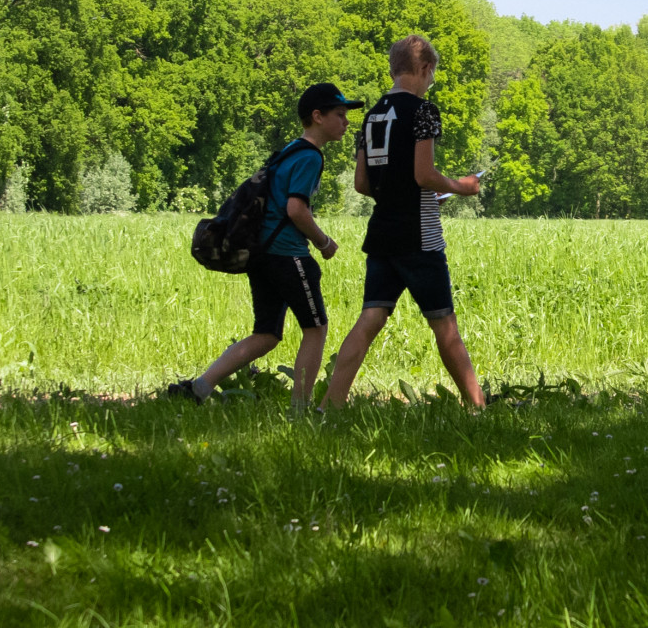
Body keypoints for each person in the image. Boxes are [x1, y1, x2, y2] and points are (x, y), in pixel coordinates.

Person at [172, 82, 363, 410]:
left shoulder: (289, 150)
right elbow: (295, 209)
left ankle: (200, 388)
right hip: (288, 255)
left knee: (267, 334)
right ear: (317, 117)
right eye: (340, 114)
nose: (346, 122)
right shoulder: (310, 157)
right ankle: (300, 411)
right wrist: (324, 242)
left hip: (261, 255)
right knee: (316, 329)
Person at [322, 34, 486, 409]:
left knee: (369, 320)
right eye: (432, 75)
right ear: (424, 69)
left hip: (381, 234)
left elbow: (362, 183)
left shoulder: (371, 115)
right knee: (445, 326)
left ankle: (328, 406)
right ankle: (477, 407)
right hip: (419, 237)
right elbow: (424, 175)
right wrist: (462, 187)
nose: (431, 82)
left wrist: (400, 194)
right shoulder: (424, 111)